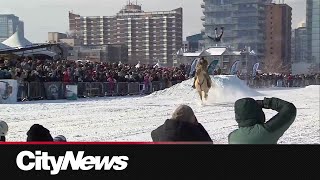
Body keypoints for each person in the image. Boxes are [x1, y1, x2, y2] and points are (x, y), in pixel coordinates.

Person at [228, 97, 297, 144]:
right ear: (257, 112)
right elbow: (289, 109)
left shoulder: (232, 137)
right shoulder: (266, 131)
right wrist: (265, 103)